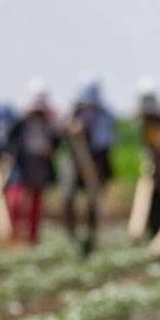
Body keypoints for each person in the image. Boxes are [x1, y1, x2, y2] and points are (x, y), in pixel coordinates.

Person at [61, 80, 116, 256]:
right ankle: (71, 236)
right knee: (68, 197)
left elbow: (105, 143)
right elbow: (61, 131)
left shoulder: (104, 115)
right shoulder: (75, 112)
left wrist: (99, 167)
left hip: (95, 162)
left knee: (93, 201)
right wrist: (72, 129)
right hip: (75, 160)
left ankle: (92, 238)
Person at [4, 84, 60, 245]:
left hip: (40, 164)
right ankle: (12, 232)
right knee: (15, 199)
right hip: (23, 163)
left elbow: (56, 141)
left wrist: (51, 148)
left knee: (36, 200)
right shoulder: (20, 123)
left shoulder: (49, 123)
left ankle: (33, 237)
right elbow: (9, 141)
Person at [137, 84, 160, 238]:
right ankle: (152, 231)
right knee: (151, 201)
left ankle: (158, 231)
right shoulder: (147, 124)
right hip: (153, 169)